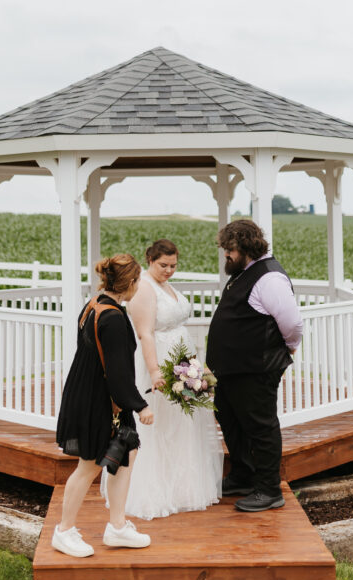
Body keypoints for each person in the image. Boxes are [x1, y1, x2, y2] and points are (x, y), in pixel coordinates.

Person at [106, 238, 222, 520]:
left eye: (173, 265)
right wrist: (155, 370)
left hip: (181, 361)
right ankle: (152, 492)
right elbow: (145, 332)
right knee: (158, 427)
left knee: (181, 424)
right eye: (163, 265)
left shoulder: (165, 285)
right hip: (157, 361)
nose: (169, 270)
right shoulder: (144, 287)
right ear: (150, 260)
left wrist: (193, 366)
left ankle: (181, 487)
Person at [53, 253, 154, 557]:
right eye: (139, 281)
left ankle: (117, 527)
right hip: (100, 401)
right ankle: (64, 531)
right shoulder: (112, 318)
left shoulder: (95, 304)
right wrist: (140, 406)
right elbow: (118, 374)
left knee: (127, 453)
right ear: (132, 283)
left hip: (91, 393)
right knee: (87, 466)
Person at [206, 219, 303, 513]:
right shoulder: (245, 272)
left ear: (245, 246)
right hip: (235, 370)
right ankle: (243, 475)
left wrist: (289, 347)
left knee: (260, 427)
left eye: (230, 249)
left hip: (256, 368)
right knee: (230, 419)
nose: (226, 255)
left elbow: (292, 323)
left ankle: (268, 489)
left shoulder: (270, 278)